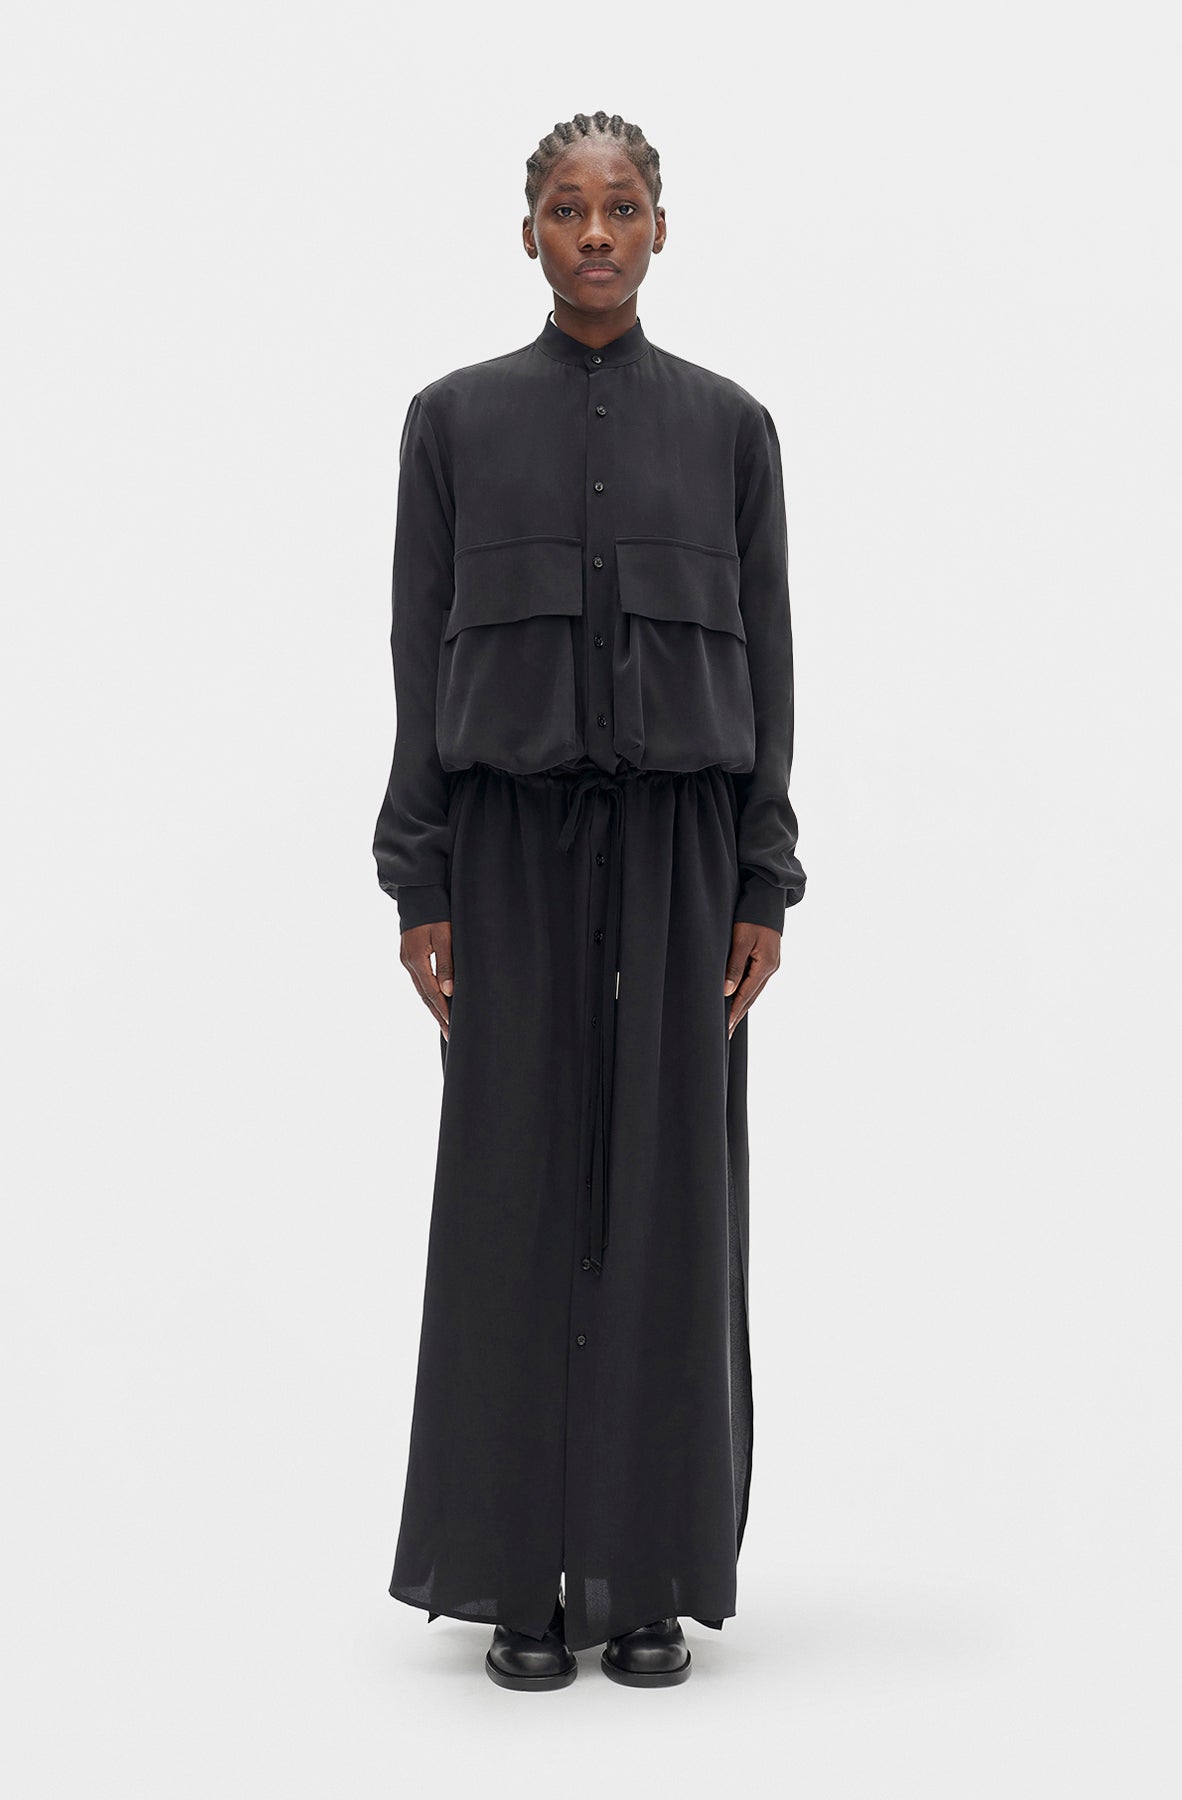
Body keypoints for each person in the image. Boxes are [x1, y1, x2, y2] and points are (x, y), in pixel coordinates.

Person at [372, 110, 807, 1691]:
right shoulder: (452, 422)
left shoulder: (735, 431)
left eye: (623, 207)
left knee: (671, 1205)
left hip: (686, 854)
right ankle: (516, 1580)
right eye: (569, 209)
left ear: (661, 229)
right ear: (531, 235)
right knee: (509, 1198)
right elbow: (416, 653)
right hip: (505, 848)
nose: (598, 233)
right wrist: (419, 874)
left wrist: (764, 875)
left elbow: (772, 660)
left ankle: (644, 1579)